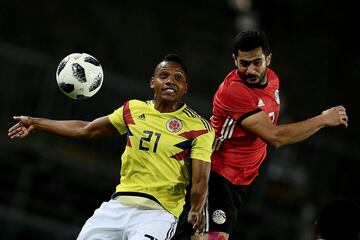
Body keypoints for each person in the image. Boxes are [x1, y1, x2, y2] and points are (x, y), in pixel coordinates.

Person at [8, 54, 215, 240]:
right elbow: (86, 129)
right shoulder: (132, 110)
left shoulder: (199, 128)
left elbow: (200, 179)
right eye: (164, 75)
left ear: (186, 87)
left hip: (158, 214)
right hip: (118, 206)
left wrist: (196, 209)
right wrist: (36, 122)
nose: (171, 81)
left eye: (178, 78)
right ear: (153, 82)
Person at [206, 30, 349, 240]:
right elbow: (275, 137)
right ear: (235, 60)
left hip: (242, 178)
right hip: (217, 173)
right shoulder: (234, 91)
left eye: (257, 62)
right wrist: (323, 119)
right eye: (244, 63)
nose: (251, 70)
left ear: (268, 59)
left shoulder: (273, 80)